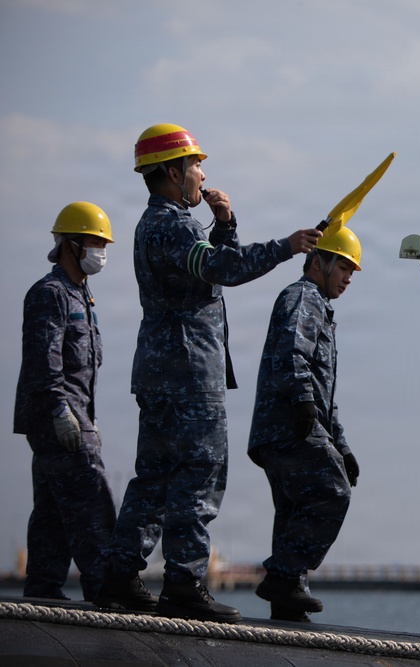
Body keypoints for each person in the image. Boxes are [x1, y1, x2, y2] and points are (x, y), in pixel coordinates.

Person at [93, 123, 323, 623]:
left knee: (153, 478)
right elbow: (225, 270)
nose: (202, 174)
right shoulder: (174, 226)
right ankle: (184, 582)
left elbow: (207, 265)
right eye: (195, 165)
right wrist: (287, 246)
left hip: (159, 372)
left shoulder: (157, 224)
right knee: (200, 474)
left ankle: (120, 576)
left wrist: (224, 225)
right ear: (174, 173)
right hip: (190, 373)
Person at [248, 226, 362, 623]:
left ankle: (287, 606)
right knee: (332, 492)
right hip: (289, 426)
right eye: (343, 267)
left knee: (294, 510)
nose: (348, 278)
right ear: (318, 262)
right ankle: (282, 577)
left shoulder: (318, 306)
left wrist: (342, 446)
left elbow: (323, 393)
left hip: (285, 426)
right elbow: (292, 353)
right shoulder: (303, 298)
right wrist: (301, 403)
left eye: (352, 271)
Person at [14, 202, 118, 603]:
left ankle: (42, 594)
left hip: (75, 418)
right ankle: (105, 592)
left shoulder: (81, 297)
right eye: (94, 242)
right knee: (93, 508)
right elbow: (44, 361)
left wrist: (87, 418)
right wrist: (61, 412)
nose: (100, 251)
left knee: (53, 514)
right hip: (58, 420)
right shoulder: (50, 294)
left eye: (102, 244)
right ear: (69, 245)